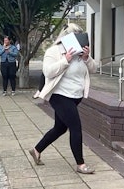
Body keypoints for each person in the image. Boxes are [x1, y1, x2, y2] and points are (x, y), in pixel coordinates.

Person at [28, 23, 97, 174]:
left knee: (60, 128)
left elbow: (94, 69)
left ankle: (36, 149)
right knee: (75, 127)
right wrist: (66, 59)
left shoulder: (80, 53)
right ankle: (80, 164)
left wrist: (86, 58)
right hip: (59, 95)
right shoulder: (54, 51)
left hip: (75, 96)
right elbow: (48, 72)